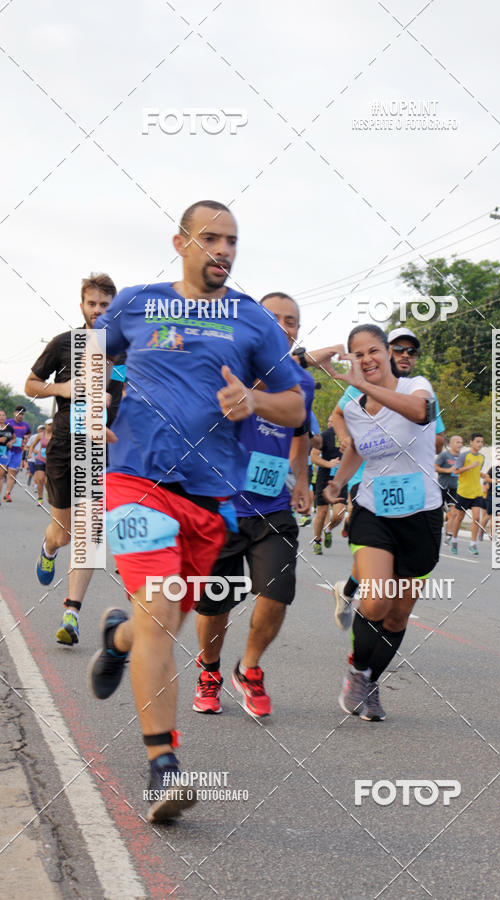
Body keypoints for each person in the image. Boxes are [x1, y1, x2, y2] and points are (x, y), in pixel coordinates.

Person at [86, 200, 304, 823]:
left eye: (233, 240)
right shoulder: (137, 302)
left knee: (161, 623)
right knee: (160, 612)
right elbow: (88, 357)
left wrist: (254, 400)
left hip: (209, 499)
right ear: (180, 241)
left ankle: (118, 637)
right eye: (211, 238)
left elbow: (295, 407)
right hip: (136, 481)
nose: (224, 250)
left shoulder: (253, 321)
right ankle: (163, 767)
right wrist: (95, 413)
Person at [193, 291, 313, 718]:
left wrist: (302, 479)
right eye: (274, 318)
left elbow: (301, 433)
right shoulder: (223, 371)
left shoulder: (304, 385)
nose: (284, 326)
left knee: (277, 593)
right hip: (219, 508)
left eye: (292, 321)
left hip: (273, 509)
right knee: (215, 603)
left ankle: (250, 667)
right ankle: (209, 671)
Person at [323, 324, 442, 722]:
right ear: (352, 359)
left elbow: (422, 413)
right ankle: (357, 669)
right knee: (375, 600)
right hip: (375, 512)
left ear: (387, 353)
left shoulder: (415, 387)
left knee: (397, 615)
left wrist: (367, 388)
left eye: (373, 351)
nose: (366, 359)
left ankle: (372, 681)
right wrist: (338, 481)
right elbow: (358, 448)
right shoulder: (354, 406)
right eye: (358, 355)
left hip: (422, 515)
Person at [25, 273, 118, 645]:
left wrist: (112, 400)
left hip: (100, 448)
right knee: (63, 534)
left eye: (105, 306)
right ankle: (48, 548)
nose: (98, 311)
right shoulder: (64, 344)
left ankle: (71, 613)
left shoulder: (121, 351)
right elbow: (32, 384)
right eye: (92, 304)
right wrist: (61, 387)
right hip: (63, 445)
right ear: (82, 305)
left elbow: (125, 389)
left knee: (90, 534)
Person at [329, 326, 445, 623]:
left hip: (412, 489)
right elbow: (338, 416)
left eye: (412, 351)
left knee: (390, 581)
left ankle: (353, 594)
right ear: (386, 352)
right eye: (398, 349)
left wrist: (415, 435)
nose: (405, 355)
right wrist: (346, 439)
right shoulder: (359, 384)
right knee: (373, 550)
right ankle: (365, 606)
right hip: (366, 482)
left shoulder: (419, 389)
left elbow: (437, 435)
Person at [311, 418, 346, 554]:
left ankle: (328, 528)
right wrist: (328, 464)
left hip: (341, 478)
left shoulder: (352, 433)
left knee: (339, 514)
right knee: (322, 511)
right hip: (325, 478)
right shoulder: (326, 435)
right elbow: (313, 457)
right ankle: (317, 540)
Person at [449, 433, 486, 556]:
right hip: (464, 492)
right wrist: (469, 466)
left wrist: (483, 475)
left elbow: (477, 471)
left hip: (477, 492)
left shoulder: (482, 457)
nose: (480, 444)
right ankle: (454, 541)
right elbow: (455, 471)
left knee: (476, 518)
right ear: (471, 442)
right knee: (459, 518)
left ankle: (473, 544)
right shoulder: (464, 456)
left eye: (481, 442)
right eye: (477, 441)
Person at [435, 434, 463, 543]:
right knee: (438, 511)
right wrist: (448, 470)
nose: (460, 444)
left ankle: (448, 534)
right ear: (451, 444)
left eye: (461, 442)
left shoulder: (462, 457)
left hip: (454, 488)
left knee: (453, 512)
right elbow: (435, 467)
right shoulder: (444, 455)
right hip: (442, 487)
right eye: (457, 442)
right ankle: (441, 527)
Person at [4, 406, 31, 501]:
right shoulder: (7, 422)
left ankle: (7, 494)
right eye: (19, 413)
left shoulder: (26, 425)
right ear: (15, 413)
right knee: (1, 472)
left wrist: (26, 438)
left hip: (18, 452)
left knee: (12, 474)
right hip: (5, 450)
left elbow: (28, 434)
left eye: (22, 414)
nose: (20, 416)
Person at [27, 420, 52, 505]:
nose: (51, 426)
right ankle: (40, 498)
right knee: (40, 479)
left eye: (52, 425)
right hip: (40, 459)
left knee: (47, 481)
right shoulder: (41, 435)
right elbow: (32, 446)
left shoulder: (56, 435)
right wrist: (30, 453)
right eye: (49, 425)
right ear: (46, 425)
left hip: (51, 460)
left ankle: (48, 494)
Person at [0, 410, 15, 502]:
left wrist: (11, 442)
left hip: (4, 453)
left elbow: (14, 438)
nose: (1, 417)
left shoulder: (9, 428)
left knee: (0, 475)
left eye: (3, 415)